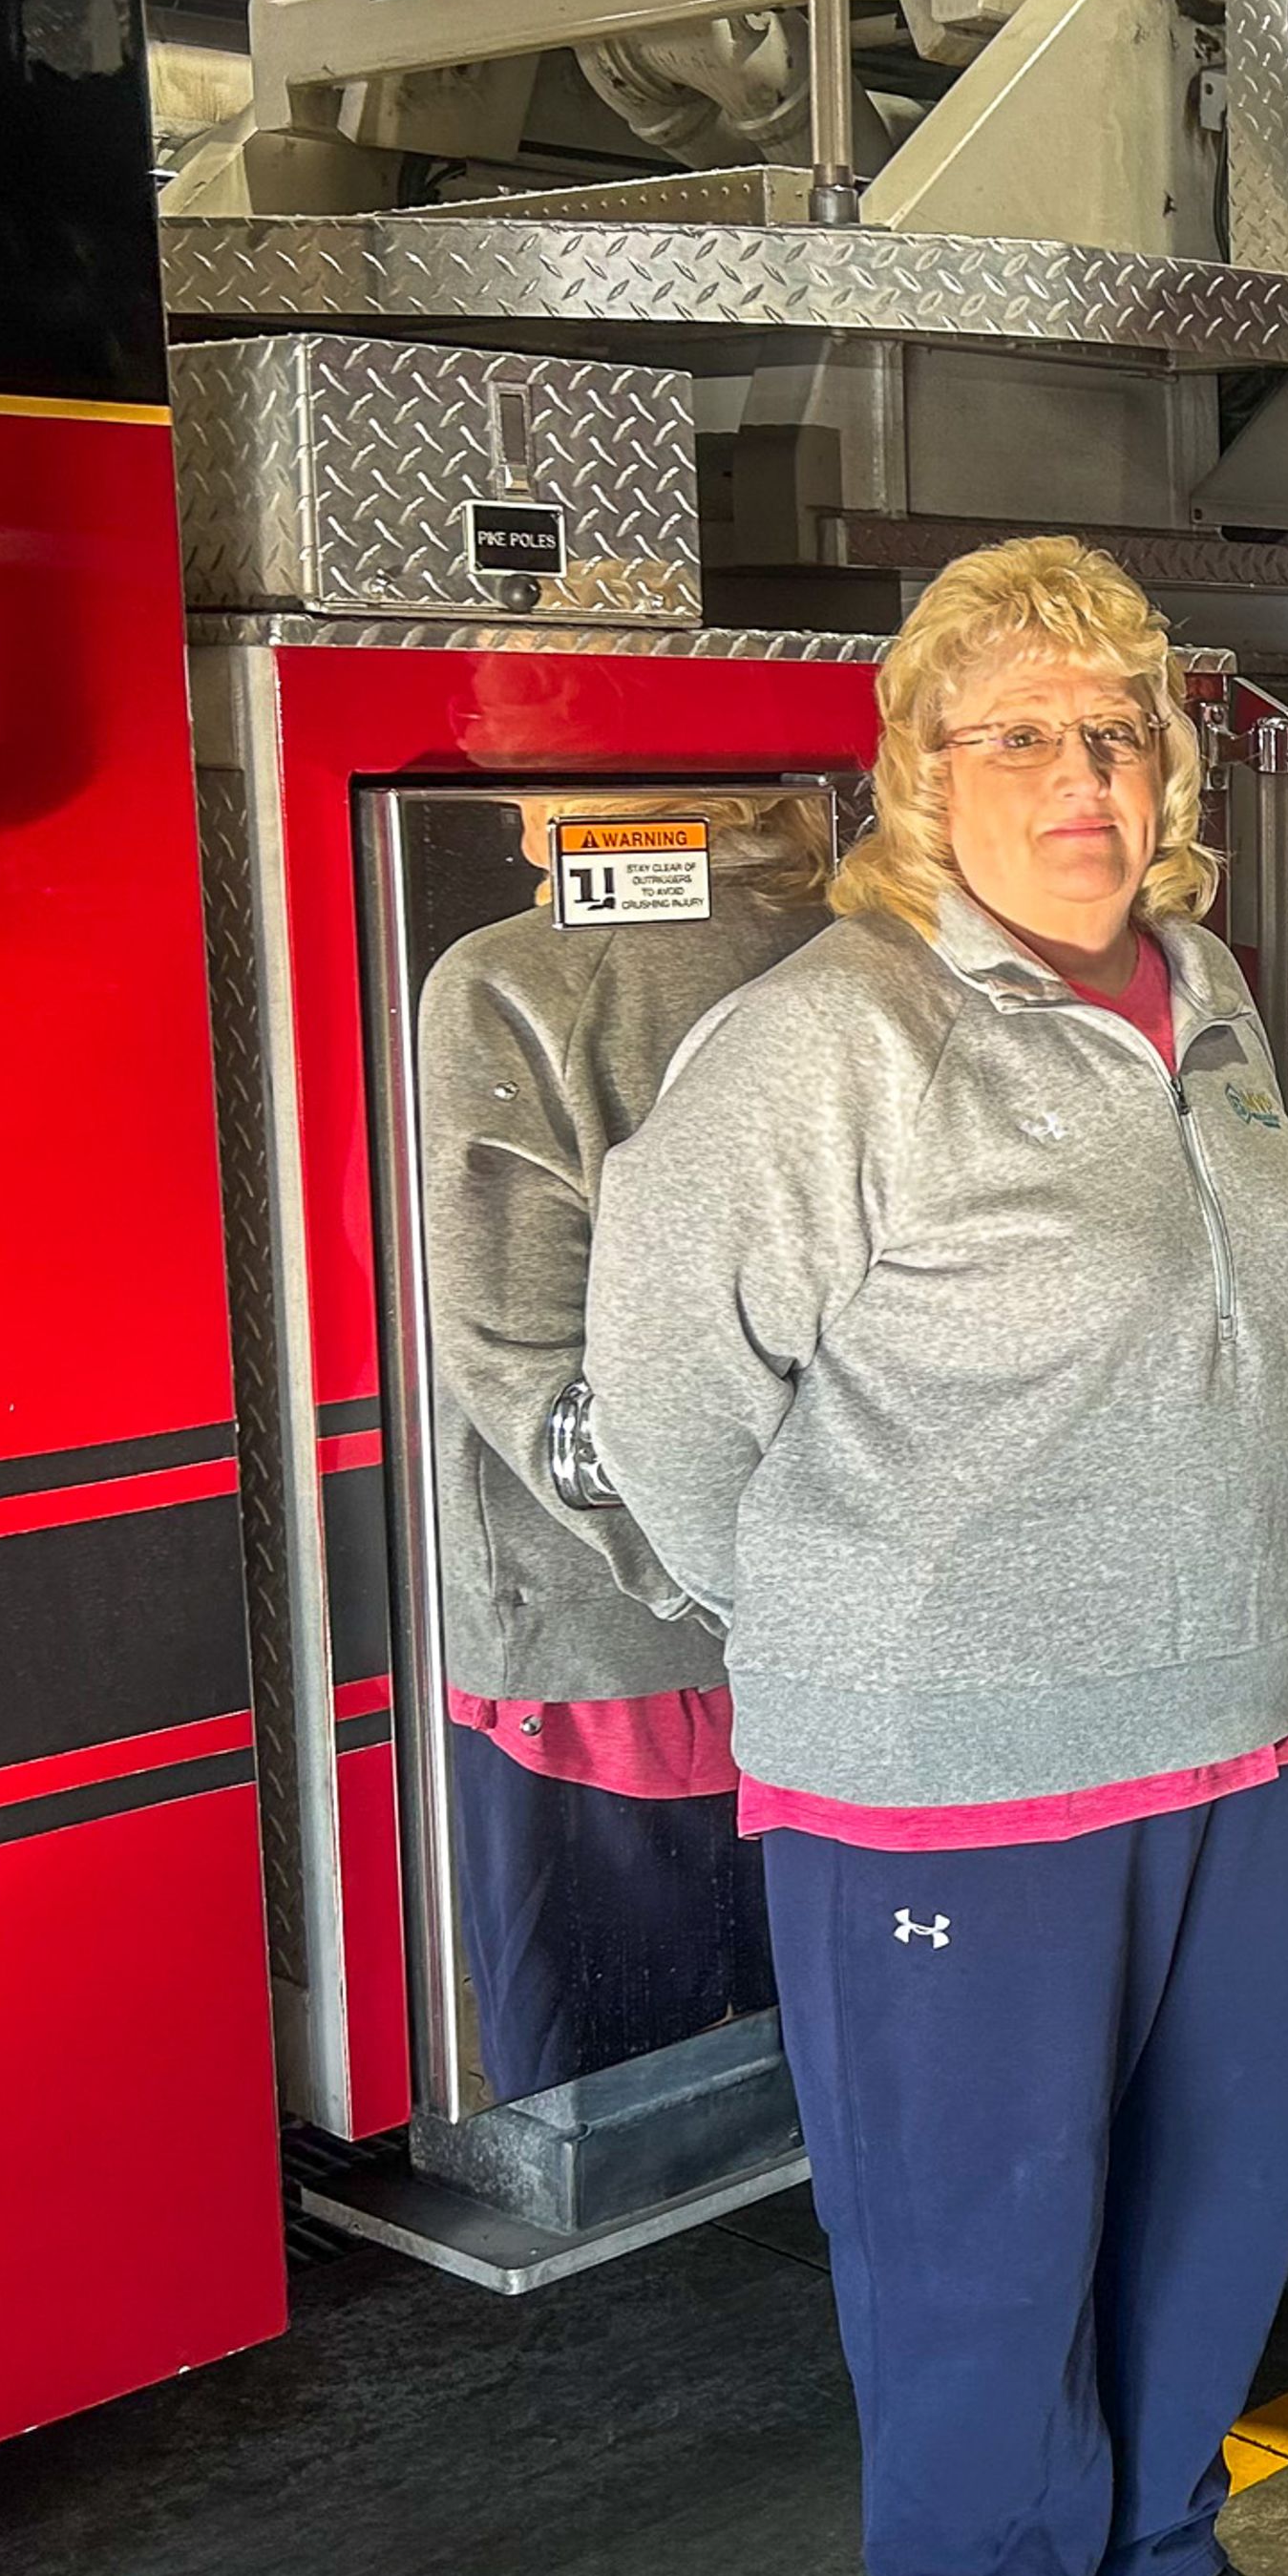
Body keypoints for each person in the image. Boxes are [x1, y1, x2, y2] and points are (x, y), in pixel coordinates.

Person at [584, 538, 1288, 2576]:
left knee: (1223, 2174)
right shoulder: (834, 1041)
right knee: (979, 2233)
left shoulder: (1202, 988)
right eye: (1015, 733)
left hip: (1238, 1721)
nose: (1079, 774)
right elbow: (665, 1405)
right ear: (916, 770)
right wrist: (853, 1636)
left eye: (1114, 728)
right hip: (950, 1773)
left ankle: (1146, 2549)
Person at [416, 792, 824, 2102]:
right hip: (863, 1654)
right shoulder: (888, 951)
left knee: (609, 2115)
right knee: (830, 2075)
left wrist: (710, 1591)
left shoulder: (508, 980)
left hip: (606, 1654)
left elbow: (514, 1353)